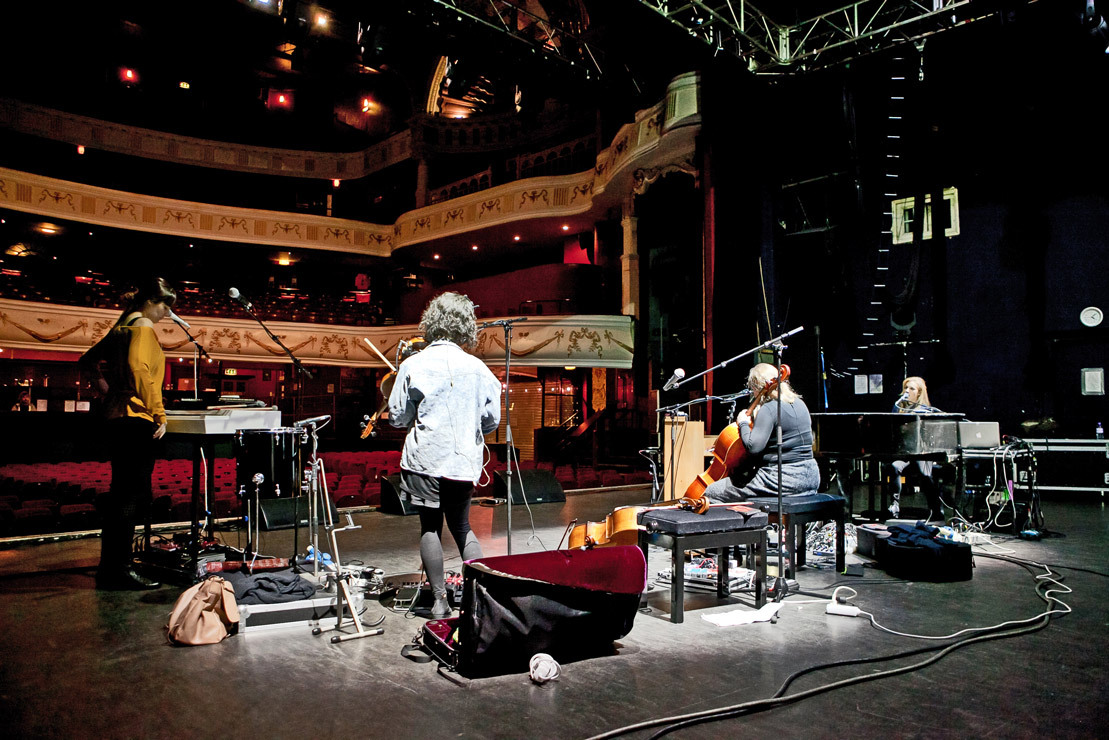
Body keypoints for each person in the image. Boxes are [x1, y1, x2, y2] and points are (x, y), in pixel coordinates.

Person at [388, 292, 502, 618]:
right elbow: (492, 421)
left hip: (424, 461)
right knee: (463, 527)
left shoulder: (413, 364)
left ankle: (440, 601)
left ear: (432, 321)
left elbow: (397, 417)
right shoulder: (480, 369)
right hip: (463, 461)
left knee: (429, 527)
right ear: (466, 325)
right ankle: (479, 599)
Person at [81, 278, 177, 590]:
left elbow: (87, 361)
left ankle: (111, 568)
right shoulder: (143, 327)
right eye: (164, 305)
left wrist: (106, 389)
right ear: (150, 301)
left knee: (122, 494)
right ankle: (117, 571)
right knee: (129, 497)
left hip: (116, 416)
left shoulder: (123, 325)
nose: (166, 312)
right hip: (135, 419)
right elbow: (140, 371)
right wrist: (159, 412)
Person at [703, 363, 819, 502]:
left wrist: (743, 423)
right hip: (811, 477)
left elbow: (754, 447)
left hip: (782, 479)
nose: (753, 393)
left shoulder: (770, 408)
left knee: (712, 492)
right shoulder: (800, 403)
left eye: (753, 389)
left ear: (758, 386)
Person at [888, 375, 943, 520]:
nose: (907, 391)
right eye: (905, 388)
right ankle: (895, 504)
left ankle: (935, 508)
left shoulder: (926, 410)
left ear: (918, 393)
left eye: (911, 388)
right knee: (894, 466)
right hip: (905, 454)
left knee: (923, 472)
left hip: (921, 453)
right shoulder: (899, 409)